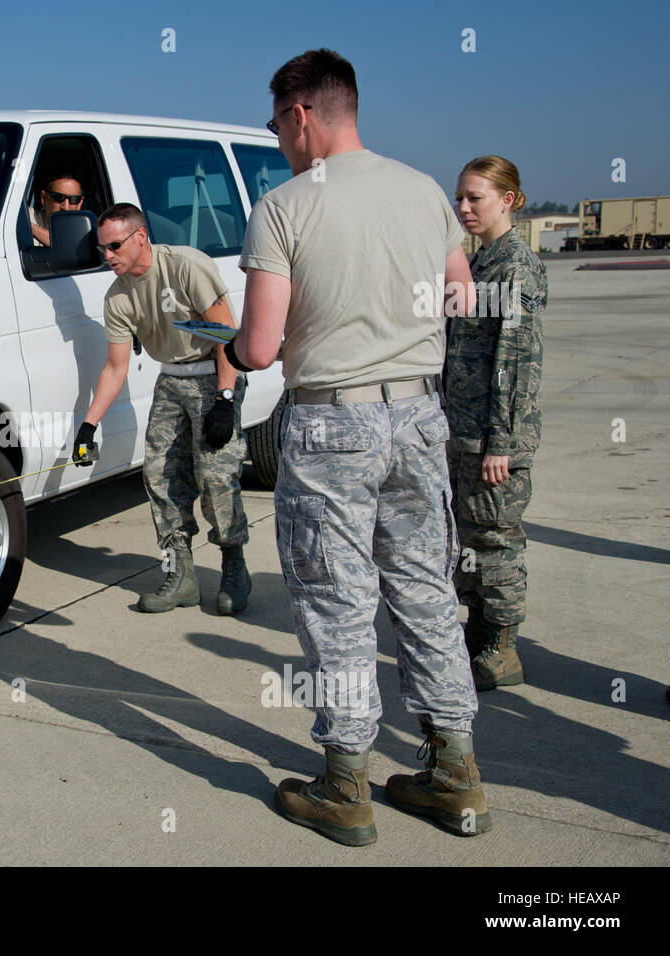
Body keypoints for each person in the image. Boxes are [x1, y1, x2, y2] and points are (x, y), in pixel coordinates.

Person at [225, 49, 490, 845]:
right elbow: (460, 298)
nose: (277, 140)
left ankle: (346, 783)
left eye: (276, 124)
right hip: (417, 414)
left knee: (336, 599)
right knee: (426, 589)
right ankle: (454, 773)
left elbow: (263, 346)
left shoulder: (284, 206)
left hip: (332, 423)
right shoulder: (421, 190)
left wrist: (229, 353)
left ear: (302, 114)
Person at [73, 202, 251, 615]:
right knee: (161, 477)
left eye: (115, 245)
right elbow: (116, 367)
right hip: (171, 380)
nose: (108, 255)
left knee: (216, 477)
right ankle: (182, 577)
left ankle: (234, 568)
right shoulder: (117, 297)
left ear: (140, 237)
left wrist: (225, 400)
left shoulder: (187, 267)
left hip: (214, 373)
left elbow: (226, 336)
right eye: (103, 248)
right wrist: (88, 426)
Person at [446, 157, 545, 692]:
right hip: (463, 432)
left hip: (494, 440)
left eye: (475, 198)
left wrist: (500, 443)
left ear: (508, 199)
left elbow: (516, 360)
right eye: (459, 197)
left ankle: (503, 648)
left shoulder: (516, 267)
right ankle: (479, 632)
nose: (464, 207)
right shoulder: (478, 263)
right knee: (469, 540)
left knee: (498, 542)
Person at [29, 173, 86, 247]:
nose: (65, 207)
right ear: (44, 198)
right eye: (58, 197)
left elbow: (66, 246)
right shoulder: (26, 216)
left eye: (73, 199)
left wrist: (31, 228)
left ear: (80, 203)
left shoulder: (86, 231)